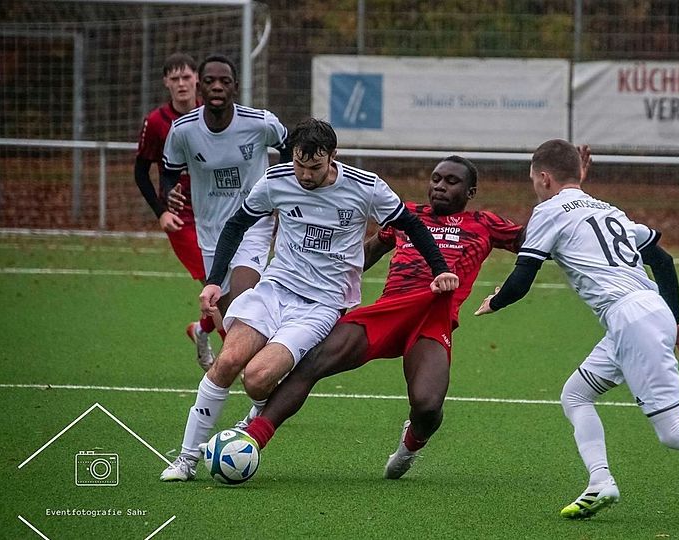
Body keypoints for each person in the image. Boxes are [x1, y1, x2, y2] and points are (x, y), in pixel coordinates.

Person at [475, 139, 679, 528]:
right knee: (575, 395)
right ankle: (600, 482)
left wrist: (496, 301)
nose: (534, 188)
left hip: (630, 318)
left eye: (534, 180)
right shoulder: (609, 209)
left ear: (543, 178)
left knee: (673, 430)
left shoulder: (548, 211)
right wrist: (673, 317)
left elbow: (523, 276)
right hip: (643, 312)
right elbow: (662, 259)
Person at [160, 118, 458, 481]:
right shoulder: (277, 180)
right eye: (299, 164)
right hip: (275, 288)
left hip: (322, 305)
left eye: (314, 167)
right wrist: (212, 282)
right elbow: (236, 225)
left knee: (257, 378)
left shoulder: (365, 187)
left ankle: (252, 421)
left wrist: (440, 268)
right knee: (228, 361)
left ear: (333, 156)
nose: (304, 175)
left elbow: (411, 224)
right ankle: (186, 459)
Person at [239, 155, 531, 479]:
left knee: (428, 405)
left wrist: (555, 204)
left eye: (451, 181)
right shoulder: (409, 215)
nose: (440, 186)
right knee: (313, 361)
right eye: (436, 179)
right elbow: (367, 253)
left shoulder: (484, 223)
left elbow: (533, 242)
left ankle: (410, 446)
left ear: (470, 191)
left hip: (432, 321)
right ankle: (251, 437)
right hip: (387, 313)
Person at [161, 54, 290, 360]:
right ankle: (204, 332)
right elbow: (168, 171)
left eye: (225, 81)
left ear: (235, 87)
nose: (217, 86)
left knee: (243, 305)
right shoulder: (183, 130)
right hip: (210, 230)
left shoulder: (260, 123)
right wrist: (169, 193)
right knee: (228, 313)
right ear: (200, 88)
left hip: (252, 224)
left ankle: (258, 372)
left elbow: (288, 147)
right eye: (210, 81)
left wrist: (281, 192)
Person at [133, 52, 215, 369]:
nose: (181, 83)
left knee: (230, 285)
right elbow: (141, 172)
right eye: (175, 78)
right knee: (217, 288)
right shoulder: (156, 122)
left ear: (197, 80)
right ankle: (244, 362)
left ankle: (201, 330)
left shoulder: (213, 114)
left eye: (186, 77)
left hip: (216, 211)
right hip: (182, 218)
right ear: (166, 82)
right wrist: (161, 212)